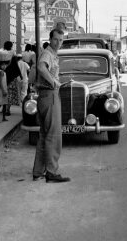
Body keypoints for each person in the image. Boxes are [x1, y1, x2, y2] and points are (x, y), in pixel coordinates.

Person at [32, 28, 70, 183]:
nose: (58, 43)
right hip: (49, 95)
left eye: (61, 40)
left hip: (45, 96)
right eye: (56, 39)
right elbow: (41, 67)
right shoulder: (47, 53)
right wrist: (54, 82)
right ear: (50, 39)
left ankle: (38, 171)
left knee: (44, 135)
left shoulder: (52, 54)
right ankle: (51, 172)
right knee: (54, 135)